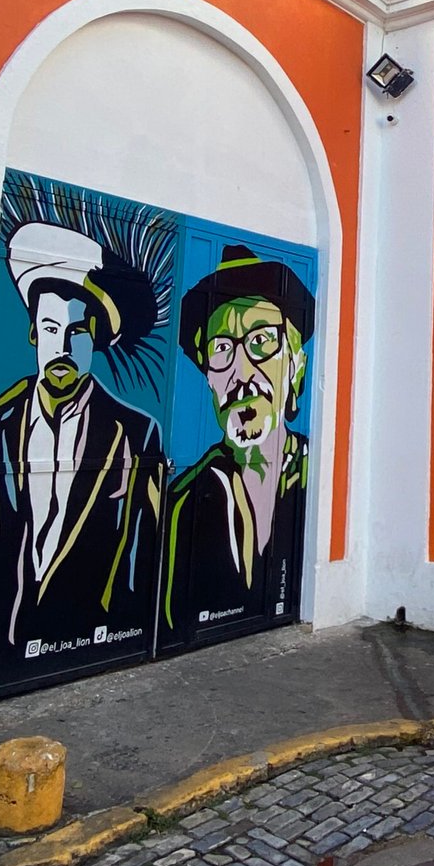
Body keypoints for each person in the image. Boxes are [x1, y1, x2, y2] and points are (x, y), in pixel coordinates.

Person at [0, 221, 165, 680]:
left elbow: (141, 557)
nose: (62, 348)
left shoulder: (135, 433)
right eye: (51, 329)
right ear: (33, 332)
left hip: (89, 642)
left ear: (98, 340)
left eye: (77, 333)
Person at [161, 244, 312, 639]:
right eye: (222, 348)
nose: (242, 371)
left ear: (296, 370)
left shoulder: (317, 477)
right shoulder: (183, 501)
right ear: (209, 379)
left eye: (262, 342)